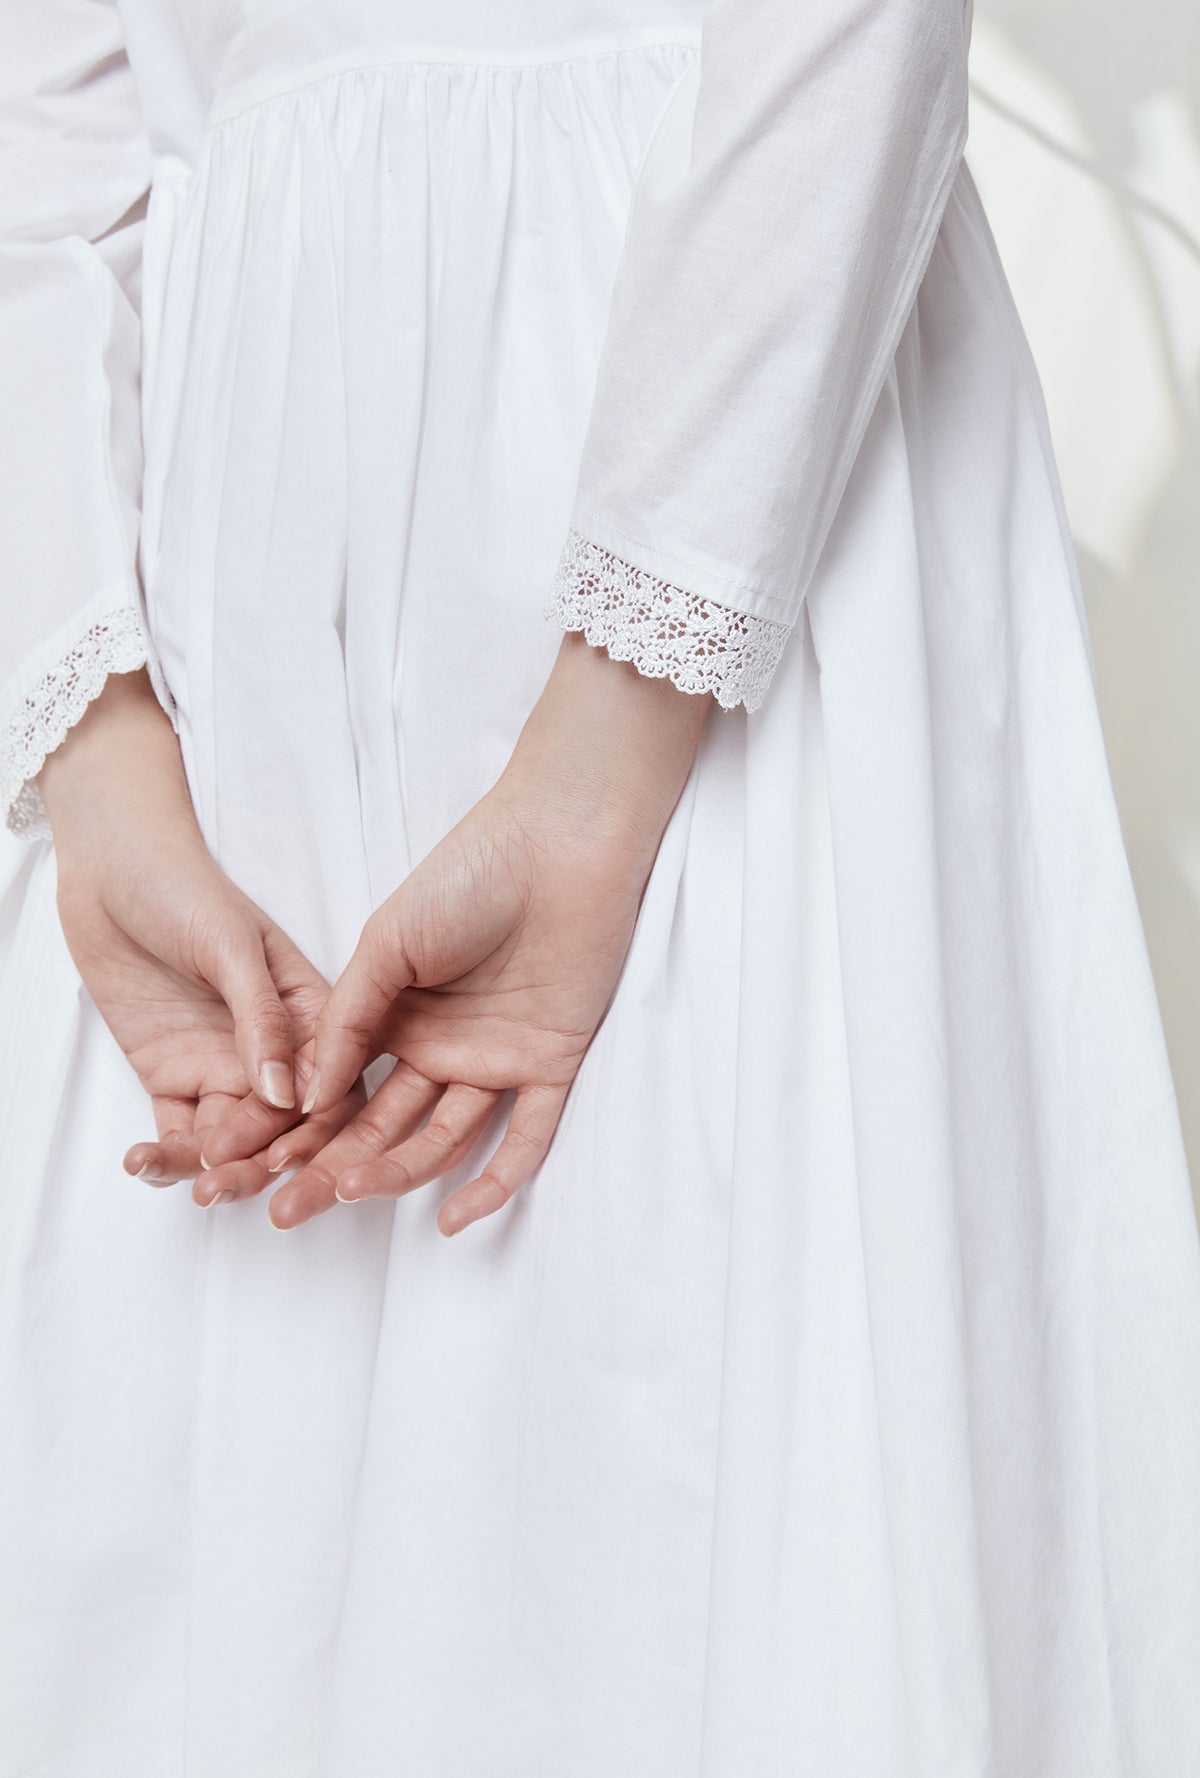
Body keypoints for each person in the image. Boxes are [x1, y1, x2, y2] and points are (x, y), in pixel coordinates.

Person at [2, 0, 1198, 1771]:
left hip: (716, 405)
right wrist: (89, 744)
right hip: (204, 599)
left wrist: (603, 748)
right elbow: (36, 115)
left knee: (687, 1483)